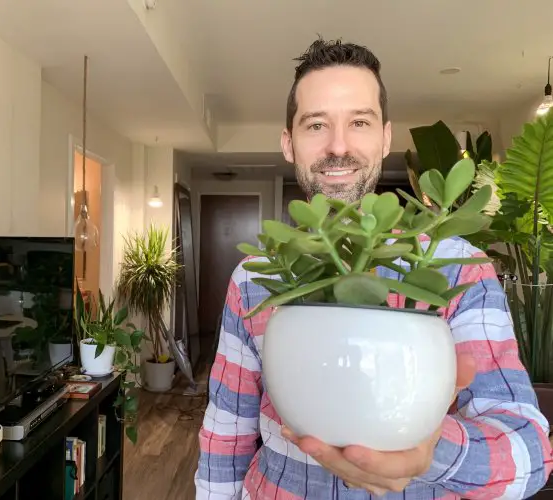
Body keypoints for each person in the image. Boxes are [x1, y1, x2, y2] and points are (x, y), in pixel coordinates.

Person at [194, 37, 553, 499]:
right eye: (316, 124)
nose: (338, 145)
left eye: (359, 122)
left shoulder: (458, 266)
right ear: (289, 143)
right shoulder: (252, 277)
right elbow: (227, 434)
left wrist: (431, 452)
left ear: (386, 136)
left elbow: (529, 453)